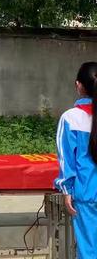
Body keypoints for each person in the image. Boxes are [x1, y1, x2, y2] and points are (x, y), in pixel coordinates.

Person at [55, 62, 97, 259]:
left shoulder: (70, 118)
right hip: (87, 193)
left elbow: (66, 160)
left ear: (79, 85)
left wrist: (67, 190)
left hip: (86, 193)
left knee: (88, 249)